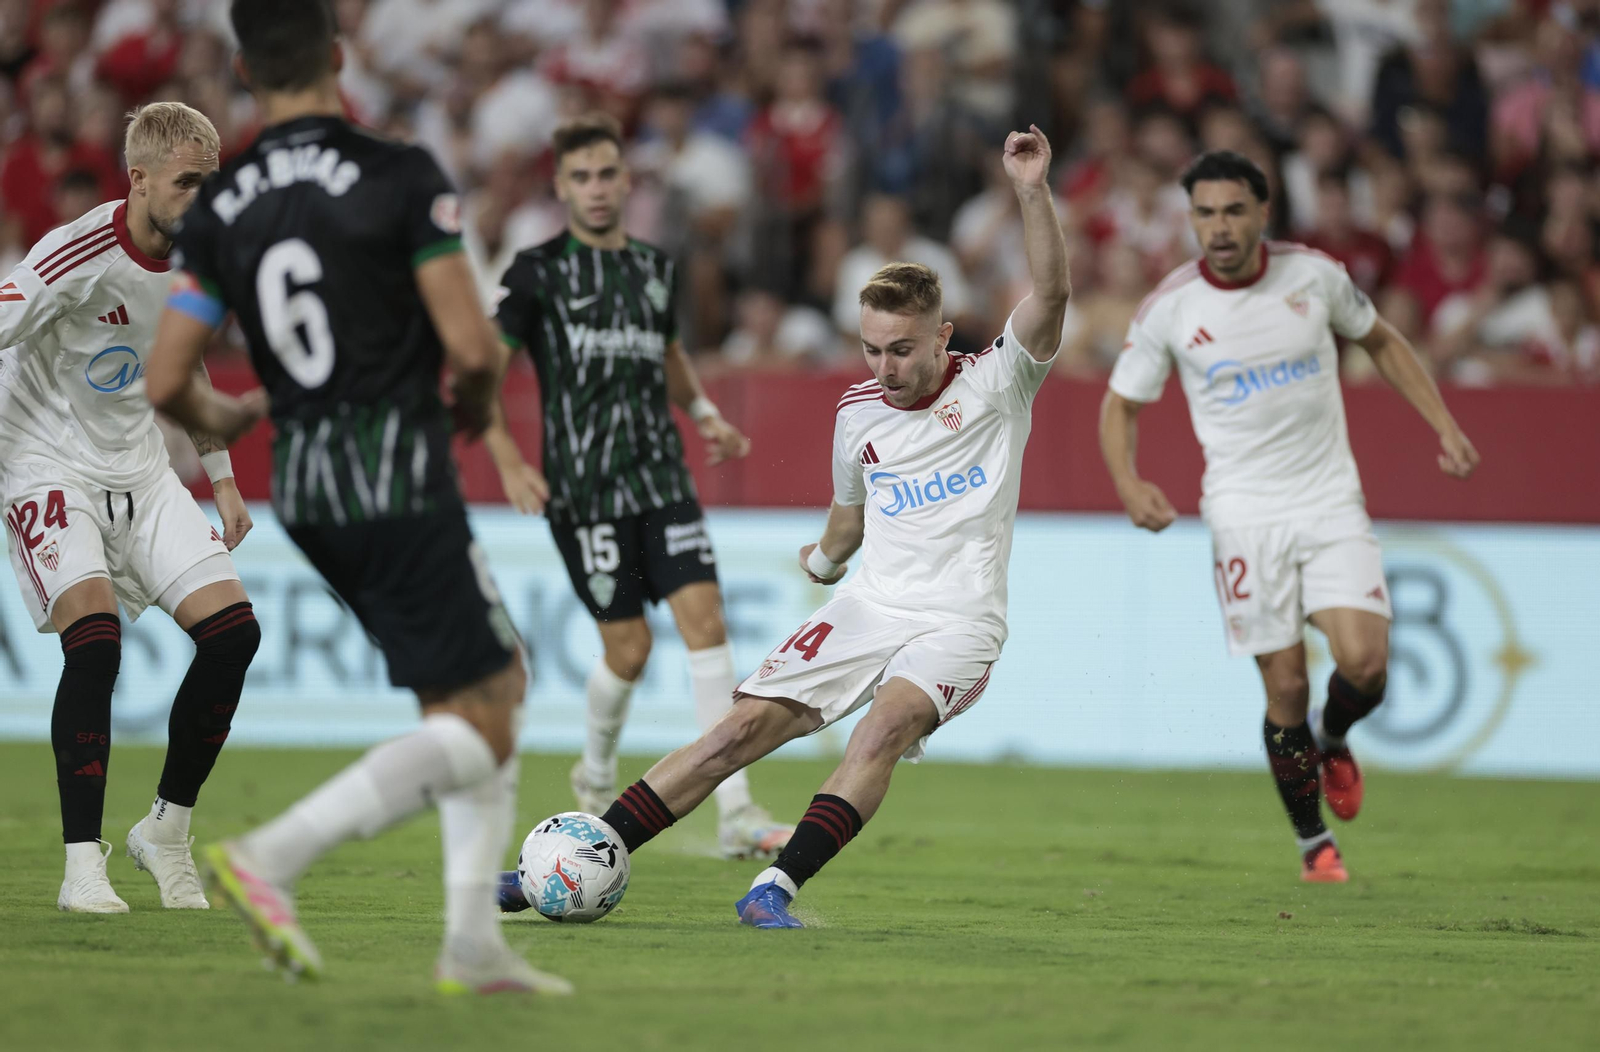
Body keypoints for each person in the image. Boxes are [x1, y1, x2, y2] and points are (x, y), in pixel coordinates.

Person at [498, 125, 1071, 928]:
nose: (885, 368)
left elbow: (1050, 296)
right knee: (734, 734)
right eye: (871, 350)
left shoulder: (999, 382)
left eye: (902, 350)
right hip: (868, 605)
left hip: (959, 620)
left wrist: (1030, 192)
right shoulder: (858, 413)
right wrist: (827, 561)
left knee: (880, 731)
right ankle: (569, 864)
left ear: (943, 336)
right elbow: (850, 516)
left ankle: (775, 887)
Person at [143, 0, 567, 996]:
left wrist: (230, 412)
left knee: (474, 691)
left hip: (308, 487)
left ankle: (471, 944)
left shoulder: (223, 205)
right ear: (339, 57)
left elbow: (166, 380)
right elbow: (472, 349)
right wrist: (473, 407)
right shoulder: (397, 174)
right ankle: (274, 855)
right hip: (394, 472)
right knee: (494, 709)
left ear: (243, 71)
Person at [1098, 150, 1480, 884]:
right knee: (1287, 689)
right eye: (1205, 213)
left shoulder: (1314, 276)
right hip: (1243, 514)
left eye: (1233, 211)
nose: (1219, 227)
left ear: (1263, 213)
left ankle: (1332, 738)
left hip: (1329, 498)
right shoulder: (1172, 307)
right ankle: (1314, 844)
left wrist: (1444, 424)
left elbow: (1380, 339)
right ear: (1191, 220)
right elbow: (1120, 404)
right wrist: (1128, 481)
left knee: (1366, 664)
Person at [487, 113, 792, 861]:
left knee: (706, 623)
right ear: (562, 188)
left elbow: (671, 356)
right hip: (583, 491)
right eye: (581, 177)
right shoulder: (535, 271)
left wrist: (706, 414)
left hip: (661, 475)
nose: (596, 188)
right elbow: (479, 375)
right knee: (628, 651)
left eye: (606, 174)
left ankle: (736, 812)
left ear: (627, 182)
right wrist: (508, 460)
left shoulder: (655, 268)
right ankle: (594, 777)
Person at [0, 101, 257, 915]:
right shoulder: (74, 253)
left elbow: (182, 362)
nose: (202, 199)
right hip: (44, 463)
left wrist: (220, 477)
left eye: (211, 182)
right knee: (96, 643)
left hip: (140, 469)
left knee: (234, 634)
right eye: (187, 183)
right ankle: (82, 867)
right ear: (139, 179)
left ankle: (165, 832)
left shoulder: (202, 258)